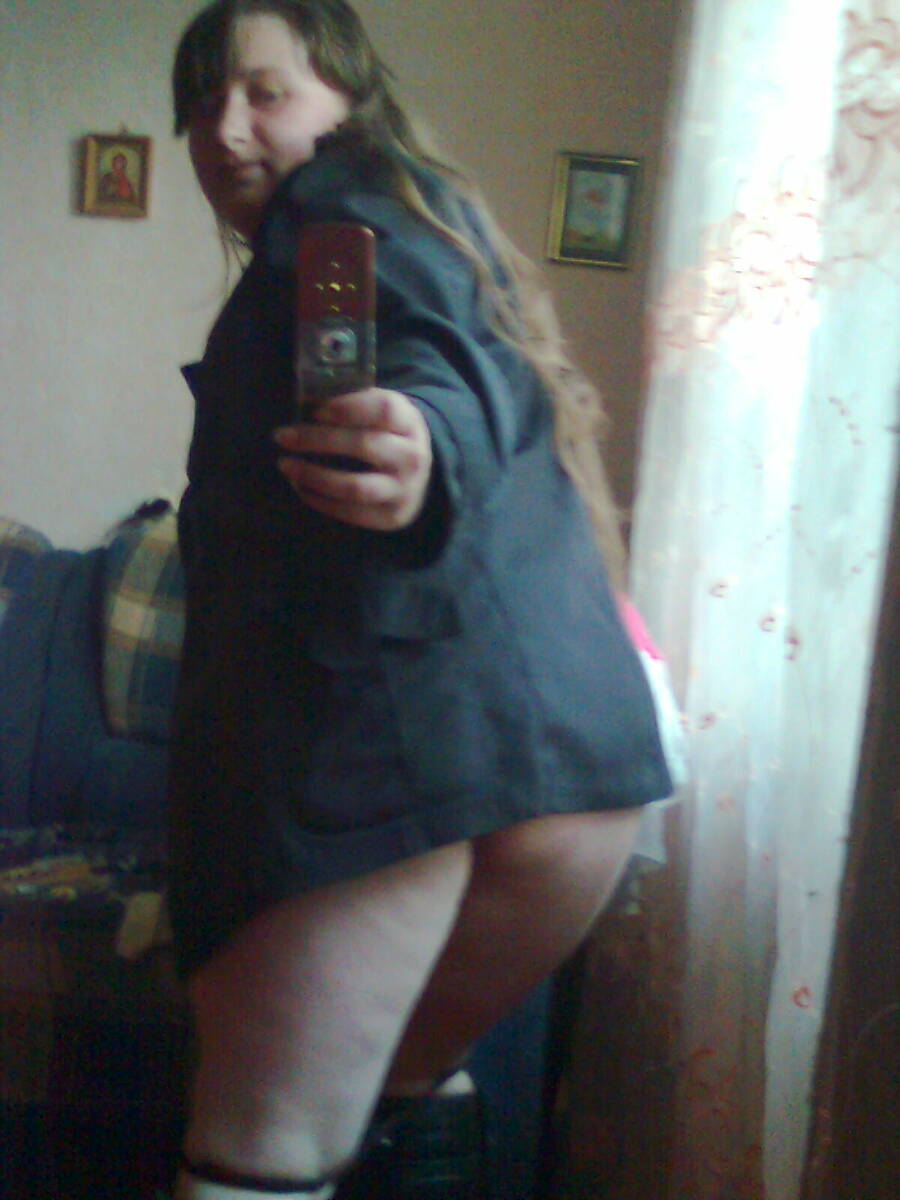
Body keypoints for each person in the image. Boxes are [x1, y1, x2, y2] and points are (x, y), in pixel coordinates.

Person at [166, 2, 674, 1197]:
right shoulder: (438, 219)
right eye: (200, 103)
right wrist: (430, 431)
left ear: (351, 101)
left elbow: (415, 367)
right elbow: (451, 355)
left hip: (376, 772)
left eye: (265, 92)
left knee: (257, 1165)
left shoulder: (338, 209)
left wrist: (414, 441)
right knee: (407, 1089)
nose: (223, 129)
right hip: (564, 765)